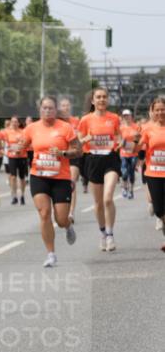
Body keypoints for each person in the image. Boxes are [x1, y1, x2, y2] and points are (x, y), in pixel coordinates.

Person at [19, 96, 81, 267]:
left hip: (60, 178)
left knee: (60, 219)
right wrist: (18, 148)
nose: (47, 111)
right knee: (44, 214)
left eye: (51, 108)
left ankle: (68, 225)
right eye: (44, 108)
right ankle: (51, 254)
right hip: (39, 176)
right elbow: (22, 146)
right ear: (40, 110)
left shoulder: (65, 128)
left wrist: (63, 153)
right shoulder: (31, 128)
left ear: (56, 110)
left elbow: (79, 150)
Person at [78, 88, 122, 252]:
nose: (102, 99)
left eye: (104, 97)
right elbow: (78, 143)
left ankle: (110, 235)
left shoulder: (114, 118)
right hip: (93, 160)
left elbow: (119, 136)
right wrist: (86, 139)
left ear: (108, 100)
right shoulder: (85, 120)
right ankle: (103, 232)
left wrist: (120, 141)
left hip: (110, 159)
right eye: (98, 97)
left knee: (108, 198)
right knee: (98, 203)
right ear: (93, 101)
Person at [139, 97, 165, 249]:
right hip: (153, 173)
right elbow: (139, 149)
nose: (160, 112)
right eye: (157, 110)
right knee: (159, 210)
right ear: (153, 112)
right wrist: (134, 143)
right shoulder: (147, 129)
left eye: (163, 109)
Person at [58, 97, 81, 218]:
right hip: (60, 156)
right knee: (61, 184)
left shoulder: (76, 121)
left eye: (67, 105)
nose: (65, 108)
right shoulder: (56, 122)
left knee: (71, 182)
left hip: (73, 155)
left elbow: (81, 137)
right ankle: (62, 209)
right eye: (63, 105)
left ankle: (71, 212)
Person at [5, 116, 28, 205]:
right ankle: (14, 196)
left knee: (22, 177)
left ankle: (22, 195)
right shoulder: (8, 133)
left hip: (22, 157)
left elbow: (26, 144)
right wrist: (11, 149)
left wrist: (20, 149)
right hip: (12, 157)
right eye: (12, 122)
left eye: (15, 122)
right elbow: (6, 145)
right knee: (13, 177)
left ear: (18, 123)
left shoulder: (23, 132)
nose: (14, 123)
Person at [119, 108, 141, 199]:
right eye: (124, 116)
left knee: (131, 173)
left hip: (133, 154)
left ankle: (131, 190)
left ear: (131, 116)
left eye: (128, 115)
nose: (126, 117)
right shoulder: (121, 128)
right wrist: (121, 143)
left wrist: (135, 144)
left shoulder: (136, 127)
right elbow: (119, 140)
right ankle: (124, 187)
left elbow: (139, 140)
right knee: (124, 172)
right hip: (124, 153)